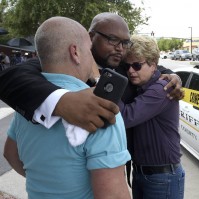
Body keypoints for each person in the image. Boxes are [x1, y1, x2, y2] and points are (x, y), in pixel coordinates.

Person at [3, 16, 131, 199]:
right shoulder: (97, 109)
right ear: (75, 52)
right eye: (89, 50)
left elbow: (10, 153)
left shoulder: (28, 105)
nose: (92, 58)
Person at [0, 12, 183, 133]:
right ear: (90, 37)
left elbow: (150, 66)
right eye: (112, 40)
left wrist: (173, 75)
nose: (120, 48)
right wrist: (62, 102)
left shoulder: (123, 67)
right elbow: (10, 78)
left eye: (124, 43)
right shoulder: (63, 63)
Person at [119, 35, 185, 199]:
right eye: (127, 66)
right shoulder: (143, 86)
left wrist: (105, 87)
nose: (131, 71)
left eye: (136, 65)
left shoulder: (161, 89)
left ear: (153, 65)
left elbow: (126, 117)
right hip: (144, 174)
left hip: (162, 178)